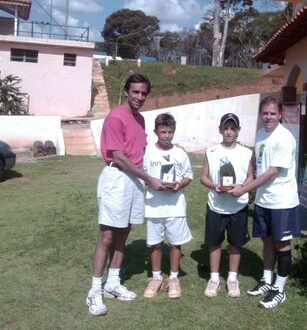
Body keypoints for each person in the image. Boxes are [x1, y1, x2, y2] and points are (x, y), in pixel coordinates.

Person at [86, 73, 163, 316]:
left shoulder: (140, 120)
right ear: (127, 92)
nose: (140, 97)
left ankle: (112, 283)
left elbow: (141, 153)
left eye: (144, 93)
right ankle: (95, 290)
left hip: (135, 181)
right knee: (107, 236)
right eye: (136, 92)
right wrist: (148, 178)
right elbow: (118, 156)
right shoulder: (115, 117)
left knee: (123, 234)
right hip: (117, 178)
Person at [230, 95, 300, 309]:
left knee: (282, 243)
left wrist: (245, 189)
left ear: (280, 114)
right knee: (267, 241)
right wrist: (245, 181)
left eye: (272, 113)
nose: (268, 117)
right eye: (265, 113)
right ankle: (267, 281)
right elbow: (258, 164)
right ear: (261, 115)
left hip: (282, 201)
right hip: (264, 200)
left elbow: (271, 172)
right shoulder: (261, 134)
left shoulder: (285, 138)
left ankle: (279, 289)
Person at [200, 113, 254, 298]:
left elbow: (250, 177)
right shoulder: (211, 151)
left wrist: (242, 187)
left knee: (236, 243)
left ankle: (232, 279)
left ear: (238, 131)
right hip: (216, 205)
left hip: (238, 205)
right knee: (214, 243)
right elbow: (203, 177)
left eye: (233, 128)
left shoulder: (246, 152)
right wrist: (214, 186)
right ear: (220, 130)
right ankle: (214, 278)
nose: (229, 131)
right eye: (226, 128)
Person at [142, 113, 193, 299]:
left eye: (170, 132)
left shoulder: (180, 152)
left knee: (175, 243)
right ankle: (156, 277)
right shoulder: (148, 151)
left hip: (175, 206)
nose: (167, 136)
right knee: (155, 244)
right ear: (156, 131)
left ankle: (173, 278)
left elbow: (188, 175)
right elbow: (144, 175)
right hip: (154, 206)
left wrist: (180, 184)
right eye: (163, 132)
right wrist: (152, 183)